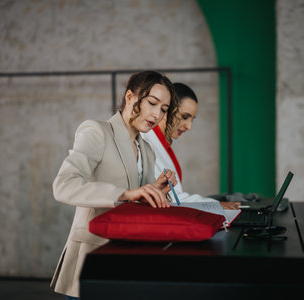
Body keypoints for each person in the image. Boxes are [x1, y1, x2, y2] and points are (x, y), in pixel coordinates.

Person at [50, 71, 178, 299]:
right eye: (152, 103)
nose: (157, 114)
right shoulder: (96, 132)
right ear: (130, 97)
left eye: (164, 109)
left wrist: (155, 192)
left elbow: (136, 202)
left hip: (128, 260)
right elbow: (64, 185)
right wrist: (126, 193)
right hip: (92, 257)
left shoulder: (146, 150)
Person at [141, 82, 239, 210]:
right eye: (184, 117)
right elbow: (173, 198)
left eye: (191, 119)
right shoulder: (146, 142)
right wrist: (215, 205)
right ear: (166, 109)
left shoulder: (161, 143)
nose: (188, 126)